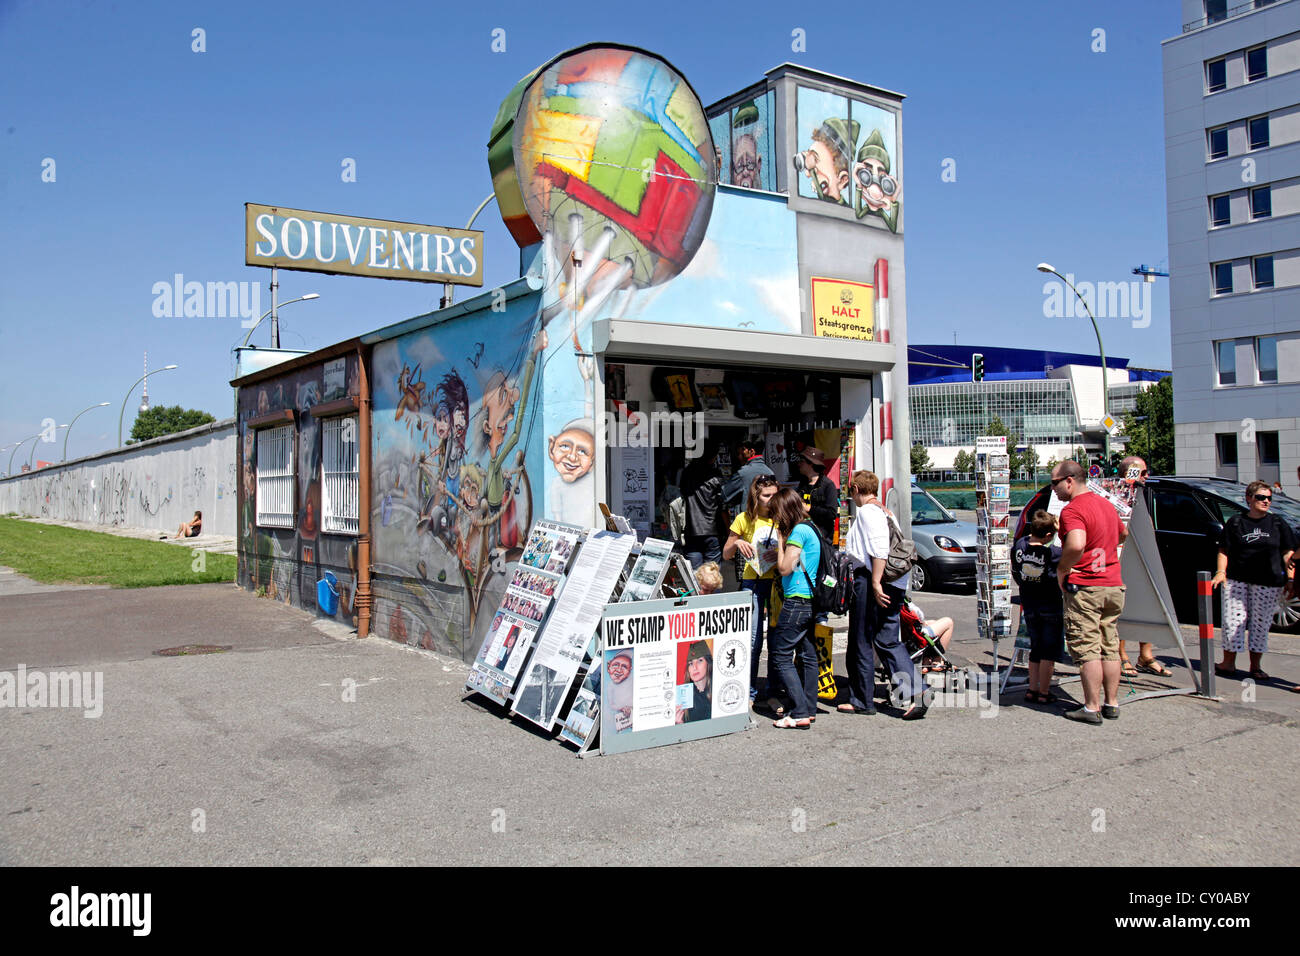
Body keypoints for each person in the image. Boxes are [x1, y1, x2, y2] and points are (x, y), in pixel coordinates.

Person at [839, 470, 926, 719]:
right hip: (894, 582)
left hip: (871, 580)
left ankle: (862, 700)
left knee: (861, 639)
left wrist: (876, 582)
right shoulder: (885, 511)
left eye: (850, 490)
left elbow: (878, 549)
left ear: (855, 488)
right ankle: (916, 691)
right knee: (886, 638)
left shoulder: (867, 512)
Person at [1053, 460, 1127, 725]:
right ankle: (1112, 702)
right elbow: (1123, 533)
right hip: (1113, 583)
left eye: (1055, 483)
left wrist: (1064, 568)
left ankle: (1091, 706)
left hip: (1086, 585)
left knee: (1087, 647)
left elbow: (1076, 543)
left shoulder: (1073, 510)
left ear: (1069, 481)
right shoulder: (1106, 505)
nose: (1054, 490)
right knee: (1109, 643)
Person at [1212, 480, 1296, 683]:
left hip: (1268, 580)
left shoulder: (1277, 522)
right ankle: (1228, 663)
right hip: (1237, 579)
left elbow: (1288, 552)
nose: (1266, 501)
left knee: (1260, 623)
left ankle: (1255, 666)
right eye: (1261, 497)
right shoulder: (1236, 522)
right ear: (1249, 498)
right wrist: (1221, 572)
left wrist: (1291, 578)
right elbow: (1224, 549)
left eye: (1269, 498)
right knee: (1233, 621)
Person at [723, 474, 781, 703]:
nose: (771, 500)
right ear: (756, 497)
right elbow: (726, 553)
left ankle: (773, 690)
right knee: (753, 639)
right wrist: (737, 543)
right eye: (767, 496)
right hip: (753, 581)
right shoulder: (744, 519)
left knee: (776, 640)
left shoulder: (782, 517)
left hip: (776, 581)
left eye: (775, 495)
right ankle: (749, 690)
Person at [768, 487, 821, 729]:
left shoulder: (798, 531)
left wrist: (780, 542)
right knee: (808, 654)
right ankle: (808, 708)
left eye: (776, 513)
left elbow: (785, 568)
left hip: (796, 600)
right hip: (809, 600)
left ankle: (799, 711)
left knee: (780, 655)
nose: (774, 519)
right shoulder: (812, 527)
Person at [1116, 455, 1173, 678]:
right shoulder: (1121, 495)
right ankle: (1121, 655)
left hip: (1144, 558)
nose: (1147, 476)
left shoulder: (1143, 493)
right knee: (1122, 607)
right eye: (1142, 472)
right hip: (1122, 558)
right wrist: (1130, 482)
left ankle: (1145, 655)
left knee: (1146, 603)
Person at [1011, 509, 1065, 704]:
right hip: (1050, 604)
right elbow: (1070, 555)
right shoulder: (1053, 552)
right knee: (1048, 651)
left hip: (1029, 603)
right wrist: (1060, 530)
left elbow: (1016, 570)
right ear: (1050, 535)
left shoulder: (1020, 546)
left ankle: (1031, 689)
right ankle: (1044, 691)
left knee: (1035, 648)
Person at [680, 447, 726, 569]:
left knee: (694, 575)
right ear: (712, 458)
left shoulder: (687, 473)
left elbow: (682, 494)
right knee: (712, 574)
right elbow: (723, 500)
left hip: (692, 529)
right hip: (712, 529)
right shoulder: (715, 474)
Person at [794, 446, 838, 541]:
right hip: (804, 534)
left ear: (811, 463)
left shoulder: (828, 485)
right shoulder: (802, 484)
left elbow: (831, 513)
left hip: (822, 538)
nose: (799, 464)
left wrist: (808, 508)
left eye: (802, 461)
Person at [901, 600, 954, 674]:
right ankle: (937, 660)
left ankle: (926, 659)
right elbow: (919, 615)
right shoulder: (902, 602)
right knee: (948, 622)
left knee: (932, 622)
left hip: (905, 634)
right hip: (916, 635)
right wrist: (923, 622)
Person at [722, 438, 774, 509]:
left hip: (748, 518)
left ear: (751, 451)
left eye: (741, 453)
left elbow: (724, 495)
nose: (739, 457)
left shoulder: (742, 473)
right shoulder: (771, 473)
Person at [676, 641, 713, 723]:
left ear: (708, 663)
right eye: (690, 663)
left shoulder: (717, 689)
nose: (695, 667)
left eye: (700, 660)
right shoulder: (683, 697)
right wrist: (679, 724)